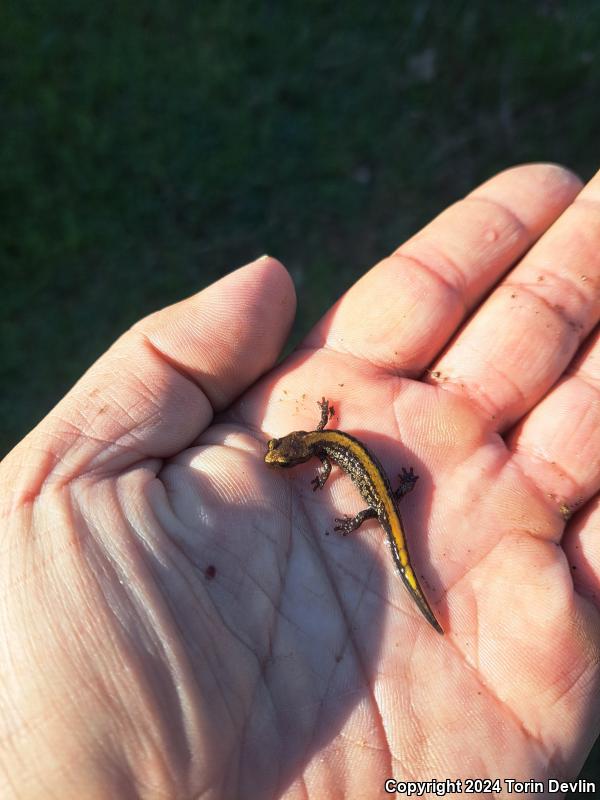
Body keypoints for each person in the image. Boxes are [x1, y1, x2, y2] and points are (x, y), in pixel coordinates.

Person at [1, 163, 598, 799]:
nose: (284, 462)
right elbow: (322, 431)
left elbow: (322, 447)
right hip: (377, 481)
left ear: (294, 454)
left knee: (390, 529)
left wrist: (342, 509)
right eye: (287, 460)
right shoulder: (319, 441)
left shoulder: (317, 450)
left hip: (377, 491)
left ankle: (401, 563)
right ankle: (410, 571)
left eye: (286, 460)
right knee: (391, 525)